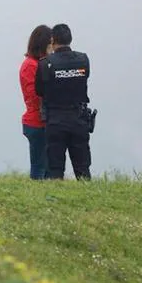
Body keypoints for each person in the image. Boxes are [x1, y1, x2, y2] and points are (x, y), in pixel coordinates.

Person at [35, 24, 92, 180]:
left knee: (55, 168)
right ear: (70, 39)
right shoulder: (83, 60)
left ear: (53, 40)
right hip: (79, 118)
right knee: (82, 167)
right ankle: (88, 198)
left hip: (55, 119)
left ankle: (58, 201)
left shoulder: (45, 63)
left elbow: (39, 90)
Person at [20, 25, 52, 180]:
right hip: (36, 122)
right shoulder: (30, 66)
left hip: (42, 121)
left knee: (47, 166)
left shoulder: (39, 64)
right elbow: (34, 95)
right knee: (39, 166)